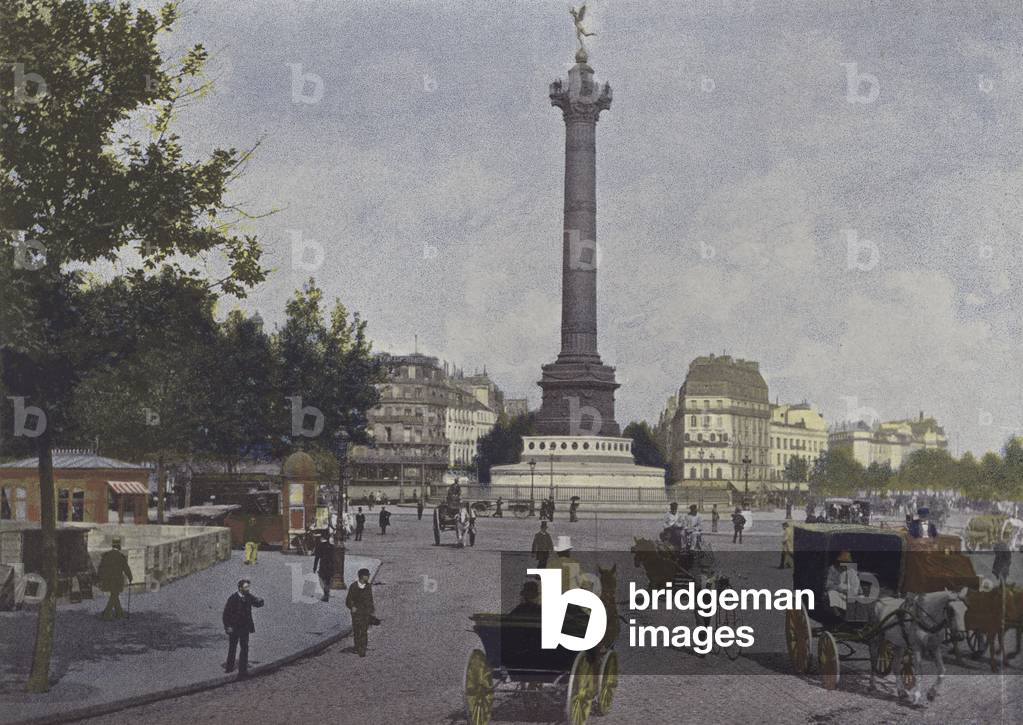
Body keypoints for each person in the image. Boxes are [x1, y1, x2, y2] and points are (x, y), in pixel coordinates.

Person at [222, 578, 264, 676]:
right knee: (232, 648)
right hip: (234, 627)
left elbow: (256, 602)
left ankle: (243, 669)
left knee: (244, 648)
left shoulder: (248, 596)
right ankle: (229, 668)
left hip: (245, 627)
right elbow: (226, 614)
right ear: (240, 588)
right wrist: (227, 626)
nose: (248, 589)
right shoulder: (233, 598)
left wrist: (260, 601)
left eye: (248, 587)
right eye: (246, 587)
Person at [98, 537, 133, 620]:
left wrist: (100, 578)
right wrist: (130, 577)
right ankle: (106, 613)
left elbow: (100, 568)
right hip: (117, 580)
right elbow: (126, 568)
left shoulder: (106, 555)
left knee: (114, 595)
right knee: (114, 595)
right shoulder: (121, 557)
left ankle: (119, 613)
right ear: (119, 547)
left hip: (107, 580)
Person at [345, 567, 377, 657]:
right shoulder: (353, 586)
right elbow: (348, 600)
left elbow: (370, 599)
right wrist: (352, 607)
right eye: (367, 575)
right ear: (362, 576)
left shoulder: (368, 586)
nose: (369, 577)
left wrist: (372, 611)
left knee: (364, 630)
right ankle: (357, 646)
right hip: (356, 613)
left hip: (365, 613)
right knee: (356, 630)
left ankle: (362, 647)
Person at [312, 533, 335, 602]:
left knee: (322, 579)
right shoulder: (332, 546)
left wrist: (314, 567)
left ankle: (326, 594)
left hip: (323, 564)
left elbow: (317, 558)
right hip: (331, 565)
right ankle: (327, 593)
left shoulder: (319, 546)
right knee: (328, 580)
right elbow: (334, 557)